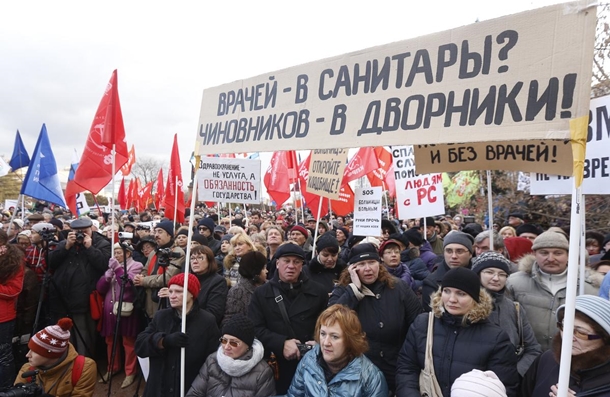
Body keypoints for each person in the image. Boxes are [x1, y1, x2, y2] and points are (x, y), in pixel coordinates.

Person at [396, 267, 519, 396]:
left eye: (461, 293)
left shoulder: (496, 338)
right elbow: (406, 369)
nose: (452, 299)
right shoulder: (423, 324)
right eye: (447, 291)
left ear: (474, 298)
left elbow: (503, 387)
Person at [329, 243, 422, 393]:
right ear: (352, 269)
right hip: (359, 370)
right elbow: (331, 320)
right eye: (361, 264)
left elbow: (418, 324)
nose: (368, 268)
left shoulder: (398, 287)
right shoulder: (343, 290)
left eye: (372, 262)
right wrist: (354, 290)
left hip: (396, 367)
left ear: (379, 264)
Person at [248, 243, 329, 394]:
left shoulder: (319, 292)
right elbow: (255, 328)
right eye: (286, 261)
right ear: (277, 263)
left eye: (296, 262)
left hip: (312, 363)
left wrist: (319, 342)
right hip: (276, 366)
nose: (291, 266)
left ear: (302, 265)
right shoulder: (261, 294)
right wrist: (281, 343)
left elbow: (327, 325)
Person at [507, 231, 598, 351]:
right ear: (534, 254)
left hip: (572, 359)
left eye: (558, 253)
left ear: (568, 254)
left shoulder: (588, 287)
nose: (550, 258)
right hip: (526, 358)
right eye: (544, 253)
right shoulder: (514, 283)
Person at [135, 273, 220, 397]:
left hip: (189, 388)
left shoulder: (207, 321)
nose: (172, 296)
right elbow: (140, 345)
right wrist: (163, 341)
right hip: (159, 389)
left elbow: (213, 359)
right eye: (170, 291)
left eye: (179, 291)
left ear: (192, 293)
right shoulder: (161, 316)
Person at [285, 304, 388, 397]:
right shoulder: (308, 361)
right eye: (323, 334)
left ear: (350, 340)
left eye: (334, 336)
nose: (326, 343)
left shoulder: (371, 378)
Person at [521, 295, 610, 396]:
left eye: (581, 333)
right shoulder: (547, 359)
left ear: (605, 338)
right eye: (564, 327)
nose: (569, 337)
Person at [47, 217, 111, 357]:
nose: (80, 235)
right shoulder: (65, 243)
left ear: (91, 230)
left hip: (84, 299)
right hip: (62, 298)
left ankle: (83, 364)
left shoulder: (101, 243)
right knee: (64, 334)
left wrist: (90, 248)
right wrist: (66, 246)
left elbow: (104, 265)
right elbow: (51, 263)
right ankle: (65, 362)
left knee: (84, 335)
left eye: (84, 232)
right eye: (77, 232)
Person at [472, 251, 542, 376]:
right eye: (489, 272)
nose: (496, 278)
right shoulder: (464, 305)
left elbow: (532, 349)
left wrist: (514, 374)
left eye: (502, 274)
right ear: (477, 274)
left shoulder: (514, 308)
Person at [186, 314, 276, 397]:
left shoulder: (262, 372)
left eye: (233, 343)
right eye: (224, 341)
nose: (226, 347)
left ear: (247, 346)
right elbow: (194, 393)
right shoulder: (212, 360)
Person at [96, 243, 143, 388]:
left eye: (119, 252)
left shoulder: (136, 265)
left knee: (128, 342)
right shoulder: (112, 265)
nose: (115, 255)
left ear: (128, 253)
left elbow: (128, 284)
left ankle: (130, 372)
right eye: (114, 252)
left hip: (126, 310)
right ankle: (113, 368)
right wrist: (106, 277)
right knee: (111, 341)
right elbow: (100, 289)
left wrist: (117, 269)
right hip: (110, 310)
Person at [15, 318, 97, 396]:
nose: (27, 355)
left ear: (51, 353)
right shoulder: (27, 370)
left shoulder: (83, 367)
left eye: (35, 351)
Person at [133, 221, 185, 320]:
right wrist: (139, 277)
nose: (156, 235)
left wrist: (143, 281)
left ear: (169, 234)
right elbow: (145, 270)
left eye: (160, 232)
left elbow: (168, 277)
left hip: (165, 302)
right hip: (149, 302)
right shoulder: (154, 253)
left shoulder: (177, 252)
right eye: (155, 232)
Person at [421, 231, 473, 311]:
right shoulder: (431, 282)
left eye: (459, 251)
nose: (454, 256)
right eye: (449, 251)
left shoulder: (481, 276)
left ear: (470, 254)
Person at [0, 229, 25, 387]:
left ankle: (6, 388)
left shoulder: (13, 262)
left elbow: (14, 290)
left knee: (3, 356)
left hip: (3, 317)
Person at [223, 251, 268, 327]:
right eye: (263, 268)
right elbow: (231, 319)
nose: (267, 271)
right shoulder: (237, 291)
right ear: (255, 271)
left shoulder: (270, 287)